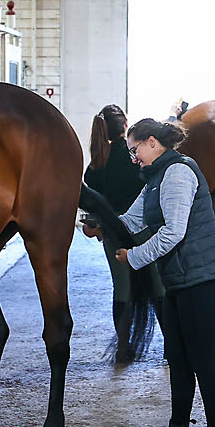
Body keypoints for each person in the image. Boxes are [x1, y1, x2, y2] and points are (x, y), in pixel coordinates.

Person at [114, 117, 215, 427]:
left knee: (203, 362)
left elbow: (173, 233)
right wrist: (95, 220)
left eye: (134, 150)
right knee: (178, 359)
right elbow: (131, 220)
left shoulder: (178, 172)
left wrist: (132, 257)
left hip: (203, 278)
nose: (133, 158)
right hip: (179, 280)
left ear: (152, 142)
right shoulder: (154, 178)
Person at [82, 104, 146, 328]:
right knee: (158, 286)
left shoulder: (95, 167)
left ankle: (122, 345)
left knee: (122, 287)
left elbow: (94, 206)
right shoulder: (137, 158)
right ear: (126, 126)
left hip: (113, 233)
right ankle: (171, 347)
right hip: (143, 230)